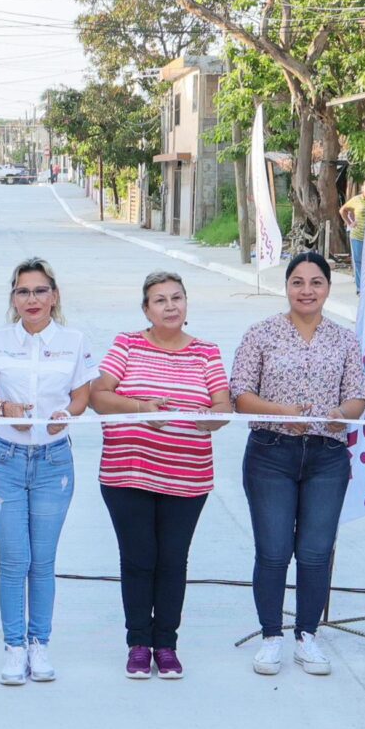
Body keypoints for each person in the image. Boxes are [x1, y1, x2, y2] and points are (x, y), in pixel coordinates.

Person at [230, 250, 365, 677]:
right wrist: (284, 412)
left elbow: (358, 397)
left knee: (314, 551)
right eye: (298, 282)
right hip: (272, 453)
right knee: (273, 551)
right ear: (286, 287)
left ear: (328, 288)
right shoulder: (261, 334)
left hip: (326, 456)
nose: (306, 291)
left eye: (316, 282)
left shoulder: (344, 340)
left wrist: (339, 416)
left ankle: (307, 635)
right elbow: (240, 395)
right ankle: (271, 635)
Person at [89, 272, 233, 679]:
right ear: (146, 309)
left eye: (176, 298)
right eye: (159, 300)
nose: (170, 306)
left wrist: (211, 420)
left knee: (172, 560)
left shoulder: (207, 352)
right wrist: (141, 409)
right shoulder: (127, 344)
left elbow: (223, 407)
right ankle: (138, 643)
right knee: (138, 559)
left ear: (187, 304)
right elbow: (99, 397)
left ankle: (166, 645)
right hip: (127, 472)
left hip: (187, 476)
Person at [0, 257, 97, 686]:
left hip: (53, 462)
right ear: (13, 298)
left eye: (40, 291)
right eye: (23, 292)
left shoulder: (74, 340)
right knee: (14, 561)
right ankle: (13, 647)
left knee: (42, 562)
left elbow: (82, 395)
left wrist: (68, 414)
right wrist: (1, 409)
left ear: (54, 296)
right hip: (4, 461)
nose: (32, 299)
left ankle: (39, 644)